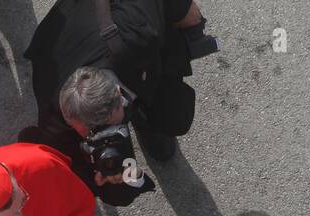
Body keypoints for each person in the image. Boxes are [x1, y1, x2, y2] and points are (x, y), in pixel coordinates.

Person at [22, 0, 212, 205]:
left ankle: (147, 121)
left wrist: (187, 16)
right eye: (90, 132)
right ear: (67, 116)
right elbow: (76, 174)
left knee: (175, 118)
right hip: (62, 40)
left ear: (119, 97)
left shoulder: (136, 33)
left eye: (106, 125)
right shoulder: (54, 116)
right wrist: (117, 180)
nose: (102, 136)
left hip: (130, 53)